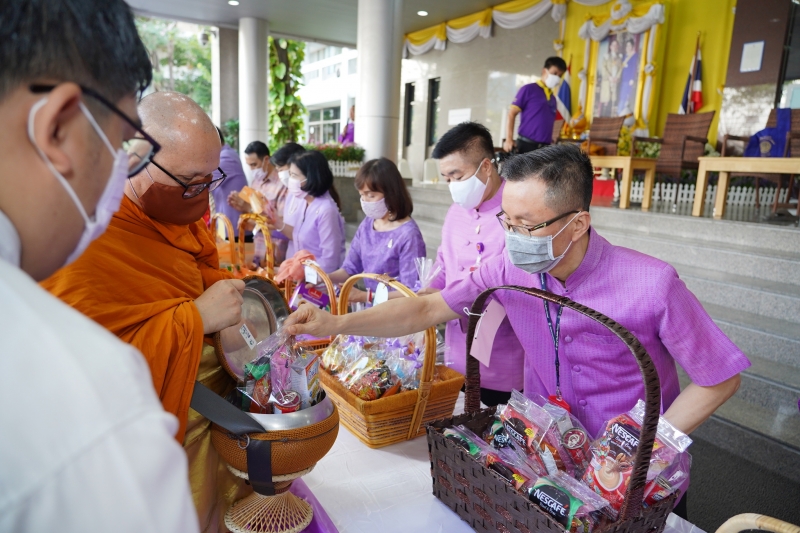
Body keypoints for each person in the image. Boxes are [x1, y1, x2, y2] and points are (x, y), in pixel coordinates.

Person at [284, 144, 750, 518]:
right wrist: (337, 323)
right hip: (549, 460)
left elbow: (720, 376)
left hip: (637, 478)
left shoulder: (652, 283)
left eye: (526, 225)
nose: (511, 235)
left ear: (577, 223)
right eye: (507, 220)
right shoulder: (509, 266)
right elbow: (425, 308)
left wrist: (638, 443)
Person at [0, 1, 198, 531]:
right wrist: (196, 315)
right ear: (58, 130)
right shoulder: (90, 400)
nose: (118, 175)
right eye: (120, 146)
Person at [41, 91, 250, 531]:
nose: (202, 196)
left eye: (211, 179)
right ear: (133, 159)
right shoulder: (82, 236)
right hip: (153, 444)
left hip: (210, 417)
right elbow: (78, 374)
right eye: (191, 182)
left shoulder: (180, 205)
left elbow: (198, 266)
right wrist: (194, 320)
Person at [426, 122, 526, 406]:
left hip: (503, 363)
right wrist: (425, 295)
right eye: (446, 179)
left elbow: (515, 289)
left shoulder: (517, 213)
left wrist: (444, 302)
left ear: (486, 167)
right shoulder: (454, 213)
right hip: (457, 359)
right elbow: (443, 268)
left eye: (457, 176)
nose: (453, 187)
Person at [328, 158, 426, 299]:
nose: (365, 201)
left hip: (395, 315)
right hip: (371, 309)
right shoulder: (368, 224)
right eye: (362, 195)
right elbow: (350, 268)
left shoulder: (408, 235)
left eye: (371, 195)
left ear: (391, 193)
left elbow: (410, 291)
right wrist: (325, 278)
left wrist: (367, 296)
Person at [273, 150, 346, 272]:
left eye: (294, 176)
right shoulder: (304, 201)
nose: (290, 180)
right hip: (301, 280)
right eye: (290, 174)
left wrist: (301, 272)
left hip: (319, 284)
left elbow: (330, 260)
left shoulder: (326, 210)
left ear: (311, 177)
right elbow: (298, 238)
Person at [228, 140, 289, 265]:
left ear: (266, 159)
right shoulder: (256, 181)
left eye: (254, 164)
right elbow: (255, 216)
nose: (252, 169)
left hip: (277, 252)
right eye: (249, 165)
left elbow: (282, 222)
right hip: (259, 249)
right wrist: (242, 208)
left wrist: (248, 208)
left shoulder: (283, 183)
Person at [504, 57, 567, 154]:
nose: (557, 78)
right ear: (544, 71)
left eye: (560, 75)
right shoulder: (528, 89)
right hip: (526, 146)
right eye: (554, 73)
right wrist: (509, 139)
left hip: (545, 150)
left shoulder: (553, 98)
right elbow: (511, 114)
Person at [211, 127, 248, 238]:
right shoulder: (225, 154)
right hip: (228, 225)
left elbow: (203, 181)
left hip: (235, 228)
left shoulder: (226, 157)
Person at [272, 142, 307, 258]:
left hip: (311, 264)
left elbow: (304, 235)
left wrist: (276, 222)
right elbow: (289, 224)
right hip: (293, 258)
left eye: (281, 169)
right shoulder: (292, 192)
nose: (279, 175)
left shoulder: (310, 199)